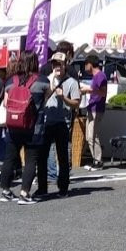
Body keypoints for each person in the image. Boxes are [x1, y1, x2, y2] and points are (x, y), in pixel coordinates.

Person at [0, 51, 49, 204]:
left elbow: (6, 103)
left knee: (9, 158)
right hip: (34, 127)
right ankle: (24, 193)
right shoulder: (42, 81)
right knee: (31, 159)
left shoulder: (10, 81)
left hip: (13, 125)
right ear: (35, 62)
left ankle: (6, 191)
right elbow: (46, 101)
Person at [41, 52, 80, 197]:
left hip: (63, 123)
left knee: (62, 156)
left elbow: (76, 103)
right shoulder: (47, 79)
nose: (57, 66)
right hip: (47, 121)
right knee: (42, 155)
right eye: (54, 64)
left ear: (65, 65)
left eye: (59, 64)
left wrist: (63, 97)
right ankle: (42, 187)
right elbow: (42, 99)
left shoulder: (72, 82)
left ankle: (63, 188)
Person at [79, 54, 107, 171]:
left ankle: (98, 161)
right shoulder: (95, 77)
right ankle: (96, 159)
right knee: (90, 136)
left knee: (92, 136)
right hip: (92, 108)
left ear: (90, 64)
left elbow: (103, 93)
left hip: (97, 109)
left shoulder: (100, 76)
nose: (84, 67)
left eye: (85, 64)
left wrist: (88, 90)